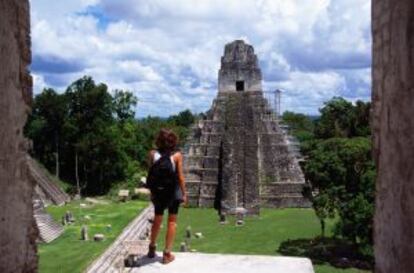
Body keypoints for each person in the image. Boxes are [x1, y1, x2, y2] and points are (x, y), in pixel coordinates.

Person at [146, 128, 187, 264]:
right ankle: (167, 254)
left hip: (158, 192)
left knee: (157, 219)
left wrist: (152, 192)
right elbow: (180, 177)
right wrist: (184, 193)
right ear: (173, 141)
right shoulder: (177, 156)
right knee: (172, 222)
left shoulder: (152, 154)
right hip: (172, 192)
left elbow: (150, 174)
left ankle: (151, 248)